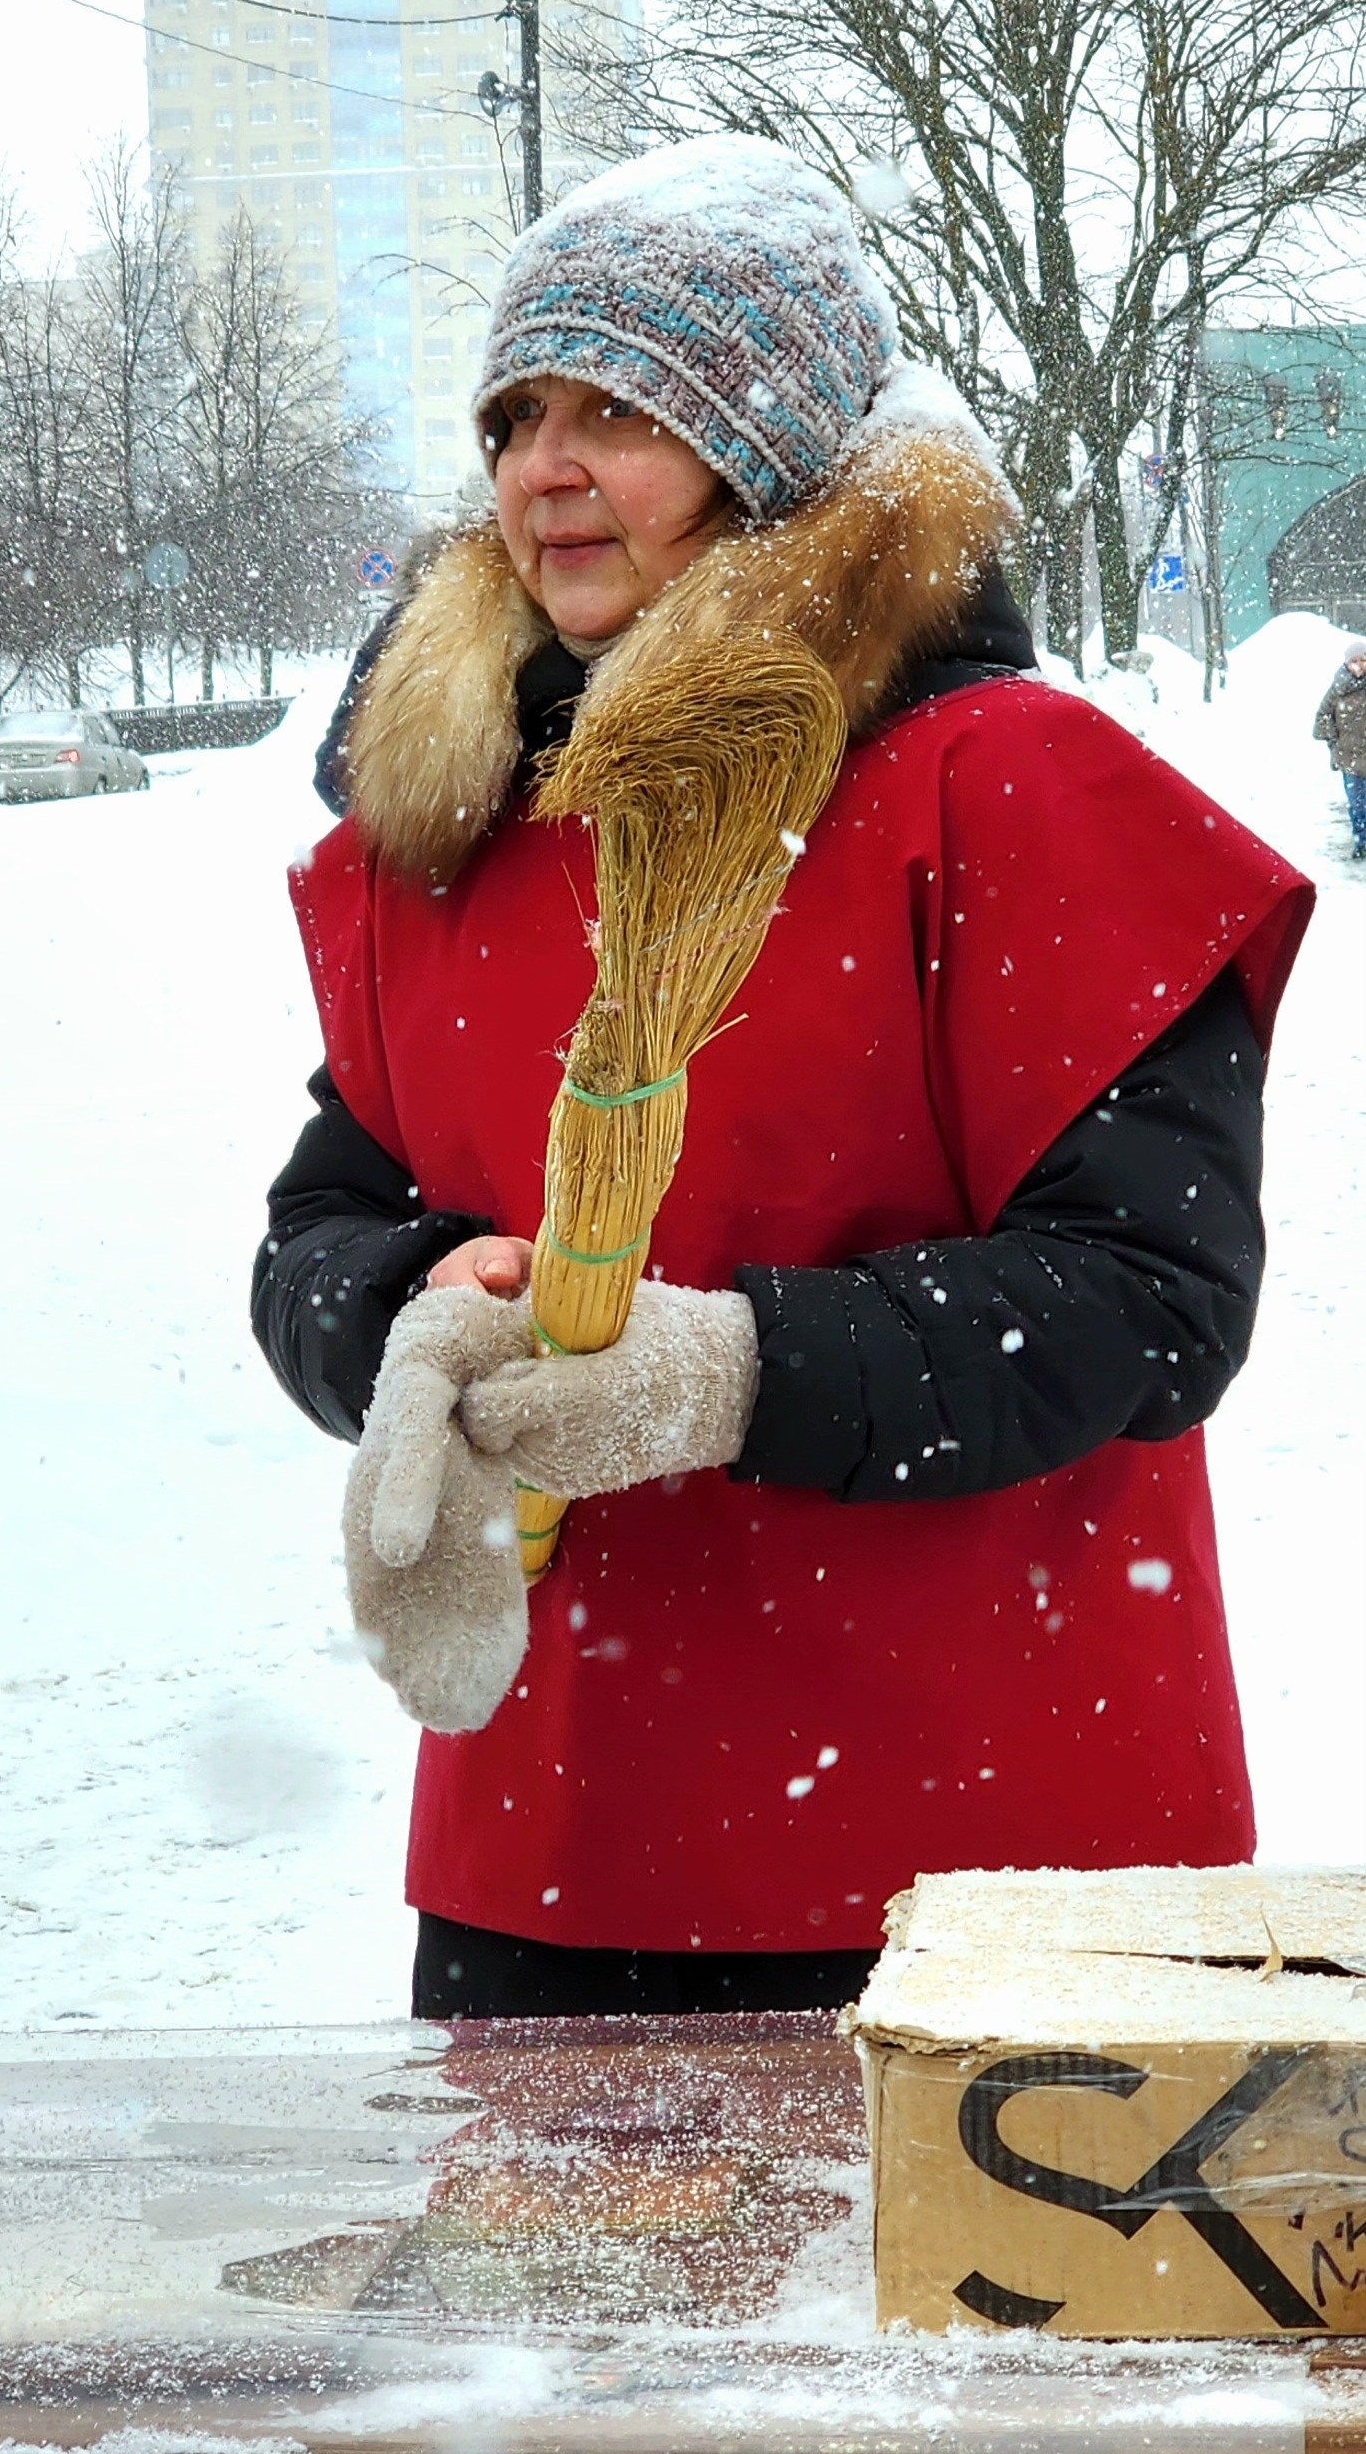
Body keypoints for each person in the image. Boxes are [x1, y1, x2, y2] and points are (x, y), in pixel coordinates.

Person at [253, 138, 1314, 2025]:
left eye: (619, 410)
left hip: (988, 1861)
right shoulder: (448, 837)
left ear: (770, 458)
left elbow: (1149, 1298)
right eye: (514, 413)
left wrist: (720, 1370)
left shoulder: (1006, 793)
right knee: (571, 2324)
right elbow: (327, 1212)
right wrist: (399, 1322)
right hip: (554, 1849)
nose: (541, 468)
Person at [1313, 638, 1366, 861]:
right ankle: (1362, 843)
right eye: (1354, 660)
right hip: (1350, 760)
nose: (1359, 665)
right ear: (1346, 664)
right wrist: (1335, 741)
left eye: (1363, 660)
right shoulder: (1338, 689)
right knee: (1357, 806)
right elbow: (1321, 720)